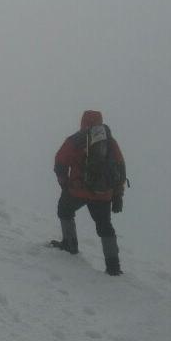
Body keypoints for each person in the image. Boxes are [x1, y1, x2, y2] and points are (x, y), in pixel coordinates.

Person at [50, 110, 128, 275]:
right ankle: (113, 267)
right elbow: (120, 168)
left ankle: (70, 245)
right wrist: (117, 195)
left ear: (82, 122)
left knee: (64, 210)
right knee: (105, 226)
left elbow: (60, 161)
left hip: (78, 190)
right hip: (103, 194)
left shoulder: (75, 140)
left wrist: (64, 183)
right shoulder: (110, 142)